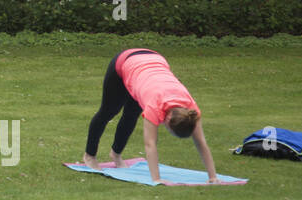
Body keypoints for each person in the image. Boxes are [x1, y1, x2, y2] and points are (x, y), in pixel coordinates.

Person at [82, 48, 221, 183]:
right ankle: (89, 156)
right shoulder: (155, 106)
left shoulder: (191, 110)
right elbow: (150, 144)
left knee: (131, 114)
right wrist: (156, 179)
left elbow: (201, 142)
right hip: (126, 62)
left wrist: (213, 176)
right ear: (167, 120)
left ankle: (116, 155)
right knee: (108, 111)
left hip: (150, 68)